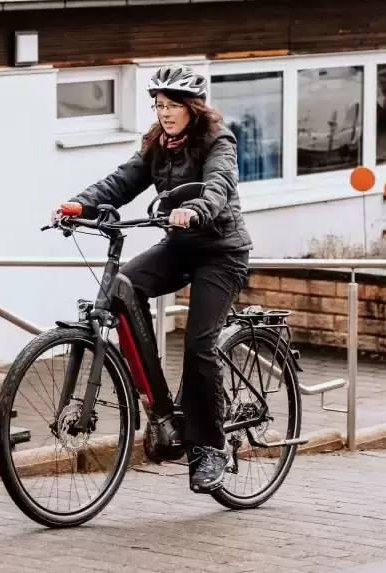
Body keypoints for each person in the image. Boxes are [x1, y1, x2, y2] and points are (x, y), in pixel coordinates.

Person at [51, 64, 252, 493]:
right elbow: (121, 182)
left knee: (200, 345)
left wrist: (197, 208)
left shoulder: (218, 140)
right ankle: (161, 411)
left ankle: (211, 448)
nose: (165, 113)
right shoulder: (156, 146)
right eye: (159, 105)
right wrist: (76, 205)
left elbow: (219, 183)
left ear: (193, 109)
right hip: (180, 245)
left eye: (173, 105)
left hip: (221, 251)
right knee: (123, 285)